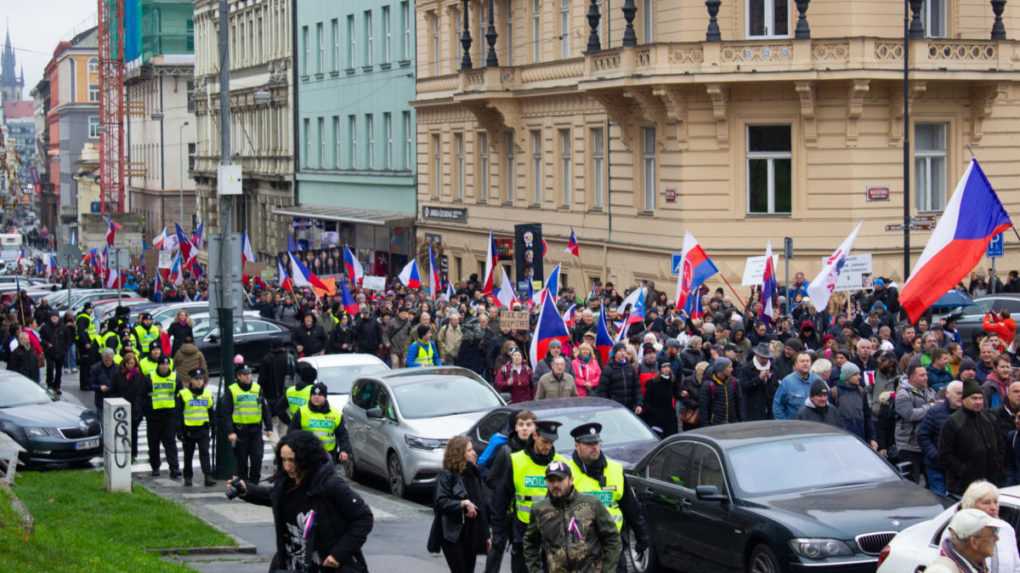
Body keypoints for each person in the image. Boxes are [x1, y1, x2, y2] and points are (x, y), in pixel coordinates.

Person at [228, 431, 374, 572]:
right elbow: (273, 496)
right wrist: (246, 489)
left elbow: (363, 518)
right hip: (292, 562)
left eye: (292, 460)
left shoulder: (331, 485)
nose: (287, 466)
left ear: (307, 459)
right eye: (283, 460)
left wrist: (338, 554)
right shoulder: (286, 483)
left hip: (327, 564)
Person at [565, 422, 648, 572]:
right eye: (589, 444)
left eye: (596, 443)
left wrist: (641, 535)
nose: (594, 447)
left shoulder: (615, 469)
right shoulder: (567, 472)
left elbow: (630, 506)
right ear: (577, 445)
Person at [490, 420, 567, 573]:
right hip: (523, 529)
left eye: (551, 442)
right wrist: (498, 531)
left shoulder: (562, 463)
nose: (548, 446)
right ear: (535, 435)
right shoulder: (516, 460)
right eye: (545, 441)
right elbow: (501, 498)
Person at [522, 460, 621, 573]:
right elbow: (530, 543)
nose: (555, 485)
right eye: (551, 480)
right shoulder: (539, 509)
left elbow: (612, 538)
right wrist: (535, 570)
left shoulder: (591, 504)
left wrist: (608, 570)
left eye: (560, 480)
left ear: (571, 480)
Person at [479, 410, 535, 573]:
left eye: (528, 425)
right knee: (497, 547)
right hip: (503, 511)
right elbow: (491, 479)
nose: (525, 429)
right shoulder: (505, 450)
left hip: (523, 513)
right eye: (521, 425)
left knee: (519, 553)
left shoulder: (535, 452)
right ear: (515, 428)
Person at [429, 435, 489, 573]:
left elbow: (482, 506)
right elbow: (440, 502)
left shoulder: (474, 473)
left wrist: (486, 535)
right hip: (452, 535)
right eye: (469, 450)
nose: (474, 452)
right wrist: (462, 503)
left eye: (472, 449)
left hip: (471, 533)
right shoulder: (447, 475)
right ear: (459, 454)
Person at [939, 379, 1005, 497]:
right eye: (974, 398)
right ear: (964, 400)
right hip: (963, 486)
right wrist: (963, 471)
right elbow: (945, 454)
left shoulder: (989, 418)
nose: (978, 402)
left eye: (980, 398)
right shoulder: (953, 422)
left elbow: (1000, 444)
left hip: (990, 483)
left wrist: (998, 465)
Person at [948, 480, 1020, 573]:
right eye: (986, 503)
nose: (994, 507)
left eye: (996, 502)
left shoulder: (1006, 529)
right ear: (971, 505)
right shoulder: (957, 530)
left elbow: (1016, 566)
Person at [219, 364, 273, 484]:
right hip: (240, 431)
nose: (248, 376)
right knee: (241, 461)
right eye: (245, 374)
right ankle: (244, 484)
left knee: (257, 458)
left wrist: (269, 427)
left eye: (249, 373)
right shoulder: (232, 390)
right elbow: (226, 413)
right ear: (238, 376)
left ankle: (254, 483)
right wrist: (230, 432)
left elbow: (265, 409)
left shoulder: (257, 388)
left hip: (256, 431)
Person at [918, 381, 963, 497]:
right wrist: (935, 455)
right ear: (947, 394)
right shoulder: (934, 412)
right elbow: (923, 435)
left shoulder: (966, 414)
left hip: (958, 468)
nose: (961, 396)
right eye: (958, 393)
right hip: (937, 467)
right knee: (940, 500)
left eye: (963, 393)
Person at [289, 382, 351, 465]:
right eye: (313, 394)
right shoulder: (301, 412)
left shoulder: (336, 414)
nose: (316, 397)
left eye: (320, 395)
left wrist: (344, 450)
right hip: (306, 455)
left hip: (328, 455)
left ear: (325, 397)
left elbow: (342, 435)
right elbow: (292, 433)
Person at [896, 362, 937, 483]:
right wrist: (930, 407)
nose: (926, 378)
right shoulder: (903, 394)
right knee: (911, 483)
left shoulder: (930, 391)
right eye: (922, 375)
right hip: (909, 446)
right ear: (912, 377)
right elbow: (910, 415)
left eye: (926, 375)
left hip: (925, 443)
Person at [926, 508, 1000, 573]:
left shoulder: (976, 565)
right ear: (974, 542)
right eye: (992, 535)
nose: (997, 538)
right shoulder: (942, 570)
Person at [176, 367, 216, 488]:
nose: (199, 381)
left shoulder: (208, 394)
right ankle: (188, 477)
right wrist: (179, 431)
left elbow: (211, 412)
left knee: (205, 453)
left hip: (203, 429)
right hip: (189, 430)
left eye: (201, 379)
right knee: (188, 455)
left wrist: (213, 427)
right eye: (196, 379)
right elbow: (178, 414)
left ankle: (207, 476)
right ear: (191, 381)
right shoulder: (183, 394)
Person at [143, 356, 181, 479]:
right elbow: (143, 395)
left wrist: (177, 412)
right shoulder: (150, 377)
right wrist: (147, 411)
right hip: (154, 416)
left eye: (166, 364)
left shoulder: (175, 378)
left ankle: (174, 468)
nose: (165, 366)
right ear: (158, 365)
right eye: (162, 364)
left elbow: (180, 396)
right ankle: (155, 467)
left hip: (169, 415)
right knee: (153, 443)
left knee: (170, 442)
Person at [830, 362, 877, 449]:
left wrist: (872, 438)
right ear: (847, 377)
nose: (859, 377)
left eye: (859, 374)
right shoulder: (834, 392)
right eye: (855, 374)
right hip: (841, 441)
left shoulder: (861, 392)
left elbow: (867, 416)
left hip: (860, 439)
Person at [111, 352, 146, 461]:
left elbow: (141, 393)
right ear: (124, 363)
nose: (130, 365)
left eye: (133, 363)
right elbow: (114, 390)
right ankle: (122, 451)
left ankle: (133, 453)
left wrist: (139, 408)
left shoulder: (139, 375)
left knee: (133, 432)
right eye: (128, 363)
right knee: (122, 432)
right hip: (122, 407)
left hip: (135, 408)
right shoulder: (118, 375)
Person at [773, 352, 820, 420]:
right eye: (802, 361)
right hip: (794, 426)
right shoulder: (787, 382)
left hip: (814, 425)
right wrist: (783, 424)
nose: (805, 363)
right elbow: (777, 405)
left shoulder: (817, 380)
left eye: (808, 361)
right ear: (795, 364)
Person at [738, 343, 776, 421]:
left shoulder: (773, 367)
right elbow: (743, 387)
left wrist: (769, 380)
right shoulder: (746, 368)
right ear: (757, 355)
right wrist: (758, 379)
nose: (765, 360)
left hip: (768, 407)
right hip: (752, 409)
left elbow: (775, 387)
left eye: (767, 358)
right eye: (762, 358)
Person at [641, 360, 680, 437]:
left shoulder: (672, 381)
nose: (667, 369)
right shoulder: (652, 383)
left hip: (669, 416)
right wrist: (654, 413)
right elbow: (646, 401)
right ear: (660, 369)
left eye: (668, 366)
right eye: (664, 367)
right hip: (656, 417)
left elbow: (676, 395)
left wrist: (683, 394)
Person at [597, 343, 641, 412]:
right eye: (620, 351)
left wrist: (638, 404)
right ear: (614, 353)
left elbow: (637, 388)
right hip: (614, 408)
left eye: (624, 351)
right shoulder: (608, 369)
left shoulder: (630, 368)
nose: (623, 353)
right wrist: (606, 406)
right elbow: (602, 391)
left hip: (629, 408)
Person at [699, 357, 741, 426]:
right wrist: (705, 427)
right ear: (721, 369)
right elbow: (703, 409)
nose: (732, 369)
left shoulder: (734, 382)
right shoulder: (708, 385)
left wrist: (741, 421)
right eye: (729, 367)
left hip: (732, 422)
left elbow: (739, 403)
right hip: (715, 424)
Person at [39, 312, 67, 394]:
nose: (54, 318)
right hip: (49, 352)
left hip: (60, 352)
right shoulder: (45, 327)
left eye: (56, 317)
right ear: (50, 318)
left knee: (59, 371)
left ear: (58, 317)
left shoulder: (63, 327)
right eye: (53, 317)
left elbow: (67, 339)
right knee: (50, 369)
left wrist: (65, 349)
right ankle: (49, 385)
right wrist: (47, 344)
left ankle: (57, 386)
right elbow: (40, 339)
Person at [76, 302, 98, 391]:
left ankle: (87, 383)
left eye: (92, 309)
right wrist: (86, 343)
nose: (91, 310)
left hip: (88, 343)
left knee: (87, 365)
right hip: (85, 345)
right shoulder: (83, 318)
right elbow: (82, 332)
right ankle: (85, 384)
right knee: (85, 366)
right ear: (86, 308)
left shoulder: (87, 317)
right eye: (90, 308)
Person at [89, 348, 118, 414]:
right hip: (101, 401)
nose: (108, 362)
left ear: (112, 358)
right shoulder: (95, 368)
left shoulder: (118, 368)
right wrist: (99, 387)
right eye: (106, 360)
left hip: (114, 401)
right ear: (102, 358)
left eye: (110, 360)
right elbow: (90, 385)